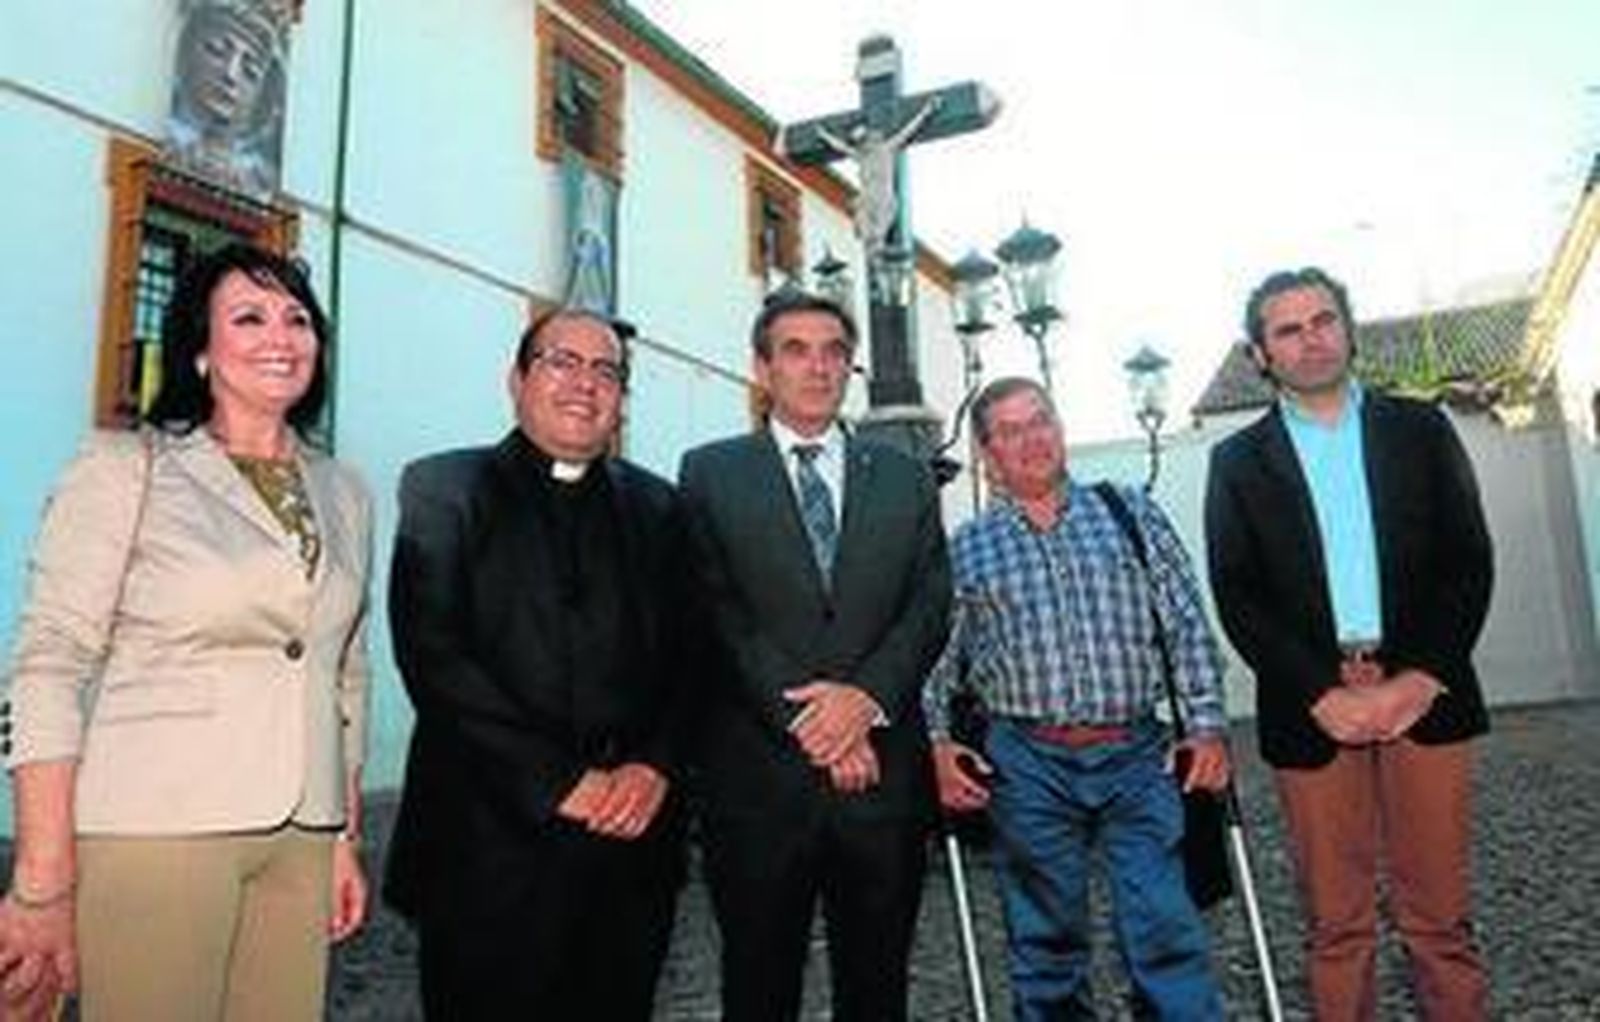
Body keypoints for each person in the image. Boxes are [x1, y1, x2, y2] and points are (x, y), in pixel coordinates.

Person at [0, 242, 371, 1020]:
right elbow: (49, 661)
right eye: (249, 317)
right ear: (200, 351)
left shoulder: (346, 492)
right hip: (156, 830)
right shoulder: (125, 467)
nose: (281, 336)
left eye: (298, 319)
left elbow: (345, 670)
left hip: (302, 838)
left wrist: (342, 834)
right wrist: (42, 876)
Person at [383, 309, 694, 1019]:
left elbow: (691, 657)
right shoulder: (443, 489)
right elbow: (434, 657)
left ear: (621, 399)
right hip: (485, 852)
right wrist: (560, 780)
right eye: (563, 362)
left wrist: (655, 765)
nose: (586, 384)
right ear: (517, 380)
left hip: (629, 851)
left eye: (606, 371)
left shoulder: (660, 507)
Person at [1205, 267, 1494, 1020]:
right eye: (1288, 329)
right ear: (1261, 353)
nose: (1312, 340)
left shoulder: (1421, 429)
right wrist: (1319, 693)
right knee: (1337, 928)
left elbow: (1467, 562)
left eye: (1324, 319)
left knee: (1441, 923)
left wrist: (1421, 677)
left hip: (1425, 693)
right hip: (1313, 707)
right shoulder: (1236, 462)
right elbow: (1239, 594)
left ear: (1348, 328)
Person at [677, 291, 950, 1021]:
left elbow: (930, 603)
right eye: (795, 350)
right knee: (758, 991)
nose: (817, 367)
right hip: (759, 786)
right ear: (762, 368)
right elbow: (714, 611)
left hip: (882, 783)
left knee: (878, 989)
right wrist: (821, 725)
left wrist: (864, 701)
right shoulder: (709, 473)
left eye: (834, 352)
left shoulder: (904, 476)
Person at [925, 376, 1231, 1020]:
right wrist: (939, 745)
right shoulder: (967, 549)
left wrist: (1205, 727)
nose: (1031, 439)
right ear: (987, 453)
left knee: (1163, 925)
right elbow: (937, 661)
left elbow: (1185, 623)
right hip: (1027, 762)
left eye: (1041, 421)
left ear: (1061, 427)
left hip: (1137, 753)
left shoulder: (1131, 514)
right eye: (1010, 431)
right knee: (1046, 940)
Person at [165, 0, 288, 197]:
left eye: (250, 71)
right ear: (185, 56)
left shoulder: (260, 180)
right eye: (217, 50)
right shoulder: (167, 141)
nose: (230, 74)